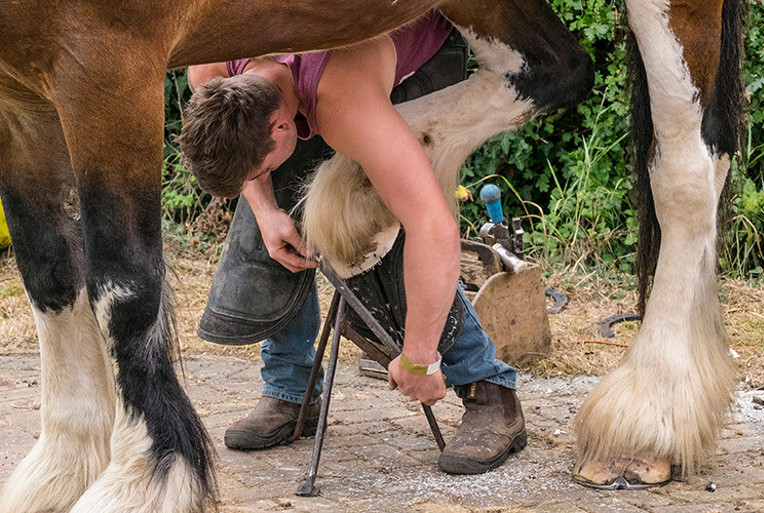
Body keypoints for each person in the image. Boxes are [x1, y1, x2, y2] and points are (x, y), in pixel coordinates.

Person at [179, 11, 526, 474]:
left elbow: (433, 227)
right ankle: (289, 388)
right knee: (275, 217)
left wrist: (419, 360)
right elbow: (248, 154)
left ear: (280, 127)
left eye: (259, 166)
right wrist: (265, 210)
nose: (260, 177)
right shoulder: (211, 65)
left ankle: (490, 393)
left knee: (369, 226)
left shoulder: (344, 100)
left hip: (416, 49)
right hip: (316, 59)